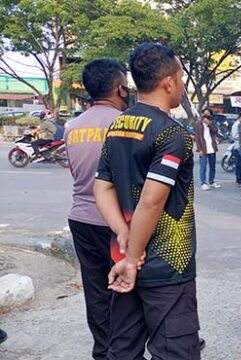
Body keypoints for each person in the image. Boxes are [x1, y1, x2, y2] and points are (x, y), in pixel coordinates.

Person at [93, 42, 200, 359]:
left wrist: (124, 239)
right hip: (165, 266)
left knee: (123, 349)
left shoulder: (118, 125)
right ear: (169, 81)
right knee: (175, 351)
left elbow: (102, 187)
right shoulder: (172, 134)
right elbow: (152, 202)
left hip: (124, 258)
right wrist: (135, 255)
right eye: (180, 77)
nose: (180, 84)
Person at [63, 59, 129, 360]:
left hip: (80, 218)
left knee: (96, 289)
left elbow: (77, 172)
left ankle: (103, 351)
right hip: (117, 224)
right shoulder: (124, 124)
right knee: (127, 287)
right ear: (120, 87)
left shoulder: (71, 127)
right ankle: (128, 349)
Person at [194, 108, 220, 191]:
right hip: (203, 148)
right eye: (204, 114)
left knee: (212, 166)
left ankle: (211, 181)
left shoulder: (212, 122)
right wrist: (199, 149)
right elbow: (197, 137)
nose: (206, 115)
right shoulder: (199, 123)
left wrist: (209, 124)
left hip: (212, 147)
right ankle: (203, 183)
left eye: (208, 114)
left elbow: (216, 131)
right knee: (203, 166)